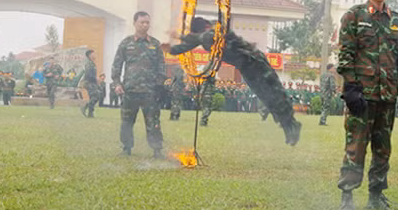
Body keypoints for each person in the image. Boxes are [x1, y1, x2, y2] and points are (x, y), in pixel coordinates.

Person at [336, 0, 398, 210]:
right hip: (362, 96)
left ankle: (376, 196)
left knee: (383, 148)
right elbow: (345, 55)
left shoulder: (397, 20)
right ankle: (347, 196)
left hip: (388, 96)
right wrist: (351, 88)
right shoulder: (354, 17)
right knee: (355, 146)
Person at [163, 18, 301, 146]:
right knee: (265, 97)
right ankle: (288, 128)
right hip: (245, 67)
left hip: (254, 60)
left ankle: (291, 125)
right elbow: (186, 46)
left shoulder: (216, 29)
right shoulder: (203, 36)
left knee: (274, 93)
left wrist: (180, 36)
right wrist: (170, 50)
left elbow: (205, 37)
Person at [111, 11, 166, 158]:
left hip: (150, 91)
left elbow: (161, 66)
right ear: (135, 23)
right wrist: (117, 83)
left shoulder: (155, 44)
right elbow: (117, 65)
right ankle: (126, 148)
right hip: (130, 89)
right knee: (127, 121)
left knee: (153, 121)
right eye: (142, 22)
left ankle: (157, 150)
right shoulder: (126, 43)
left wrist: (159, 85)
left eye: (147, 22)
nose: (145, 25)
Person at [80, 49, 100, 118]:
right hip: (89, 83)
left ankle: (90, 114)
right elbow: (88, 75)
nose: (95, 55)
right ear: (90, 55)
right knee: (96, 96)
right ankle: (84, 107)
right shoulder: (89, 63)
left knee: (93, 97)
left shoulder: (92, 63)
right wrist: (96, 78)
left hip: (92, 82)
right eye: (93, 54)